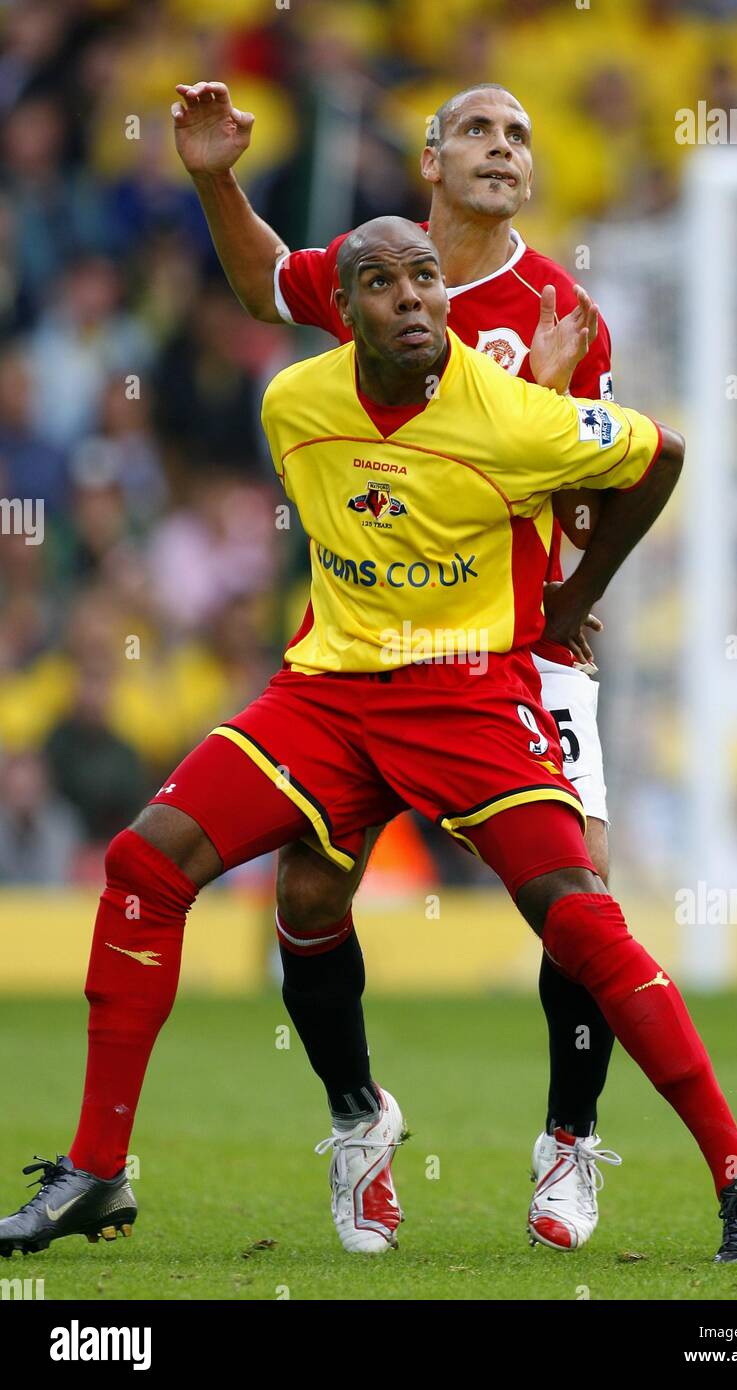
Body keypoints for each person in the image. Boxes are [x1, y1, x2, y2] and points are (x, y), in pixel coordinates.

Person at [0, 219, 737, 1265]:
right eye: (381, 283)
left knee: (578, 916)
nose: (413, 298)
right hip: (327, 695)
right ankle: (100, 1170)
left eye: (426, 277)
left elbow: (663, 454)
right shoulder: (293, 404)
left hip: (469, 696)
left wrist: (570, 596)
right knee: (146, 861)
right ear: (345, 311)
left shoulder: (518, 415)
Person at [174, 77, 632, 1251]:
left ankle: (568, 1144)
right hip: (366, 650)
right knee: (311, 890)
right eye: (476, 130)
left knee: (574, 902)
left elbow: (593, 477)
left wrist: (538, 407)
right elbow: (264, 281)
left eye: (519, 134)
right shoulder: (381, 268)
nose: (499, 148)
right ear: (430, 159)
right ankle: (357, 1120)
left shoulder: (562, 310)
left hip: (515, 646)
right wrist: (219, 177)